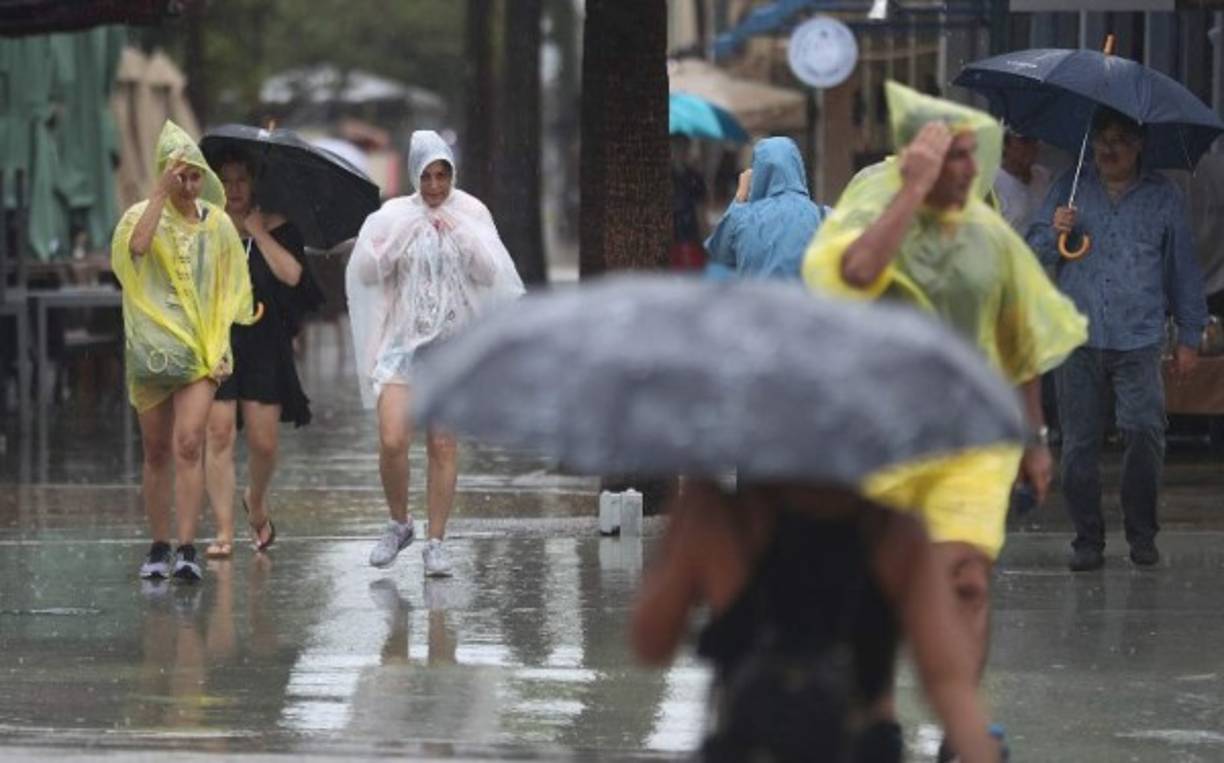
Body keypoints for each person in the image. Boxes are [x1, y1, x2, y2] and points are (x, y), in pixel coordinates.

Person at [804, 81, 1087, 760]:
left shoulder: (981, 212)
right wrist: (913, 191)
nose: (963, 167)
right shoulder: (872, 196)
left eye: (970, 152)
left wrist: (1034, 435)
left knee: (967, 577)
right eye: (948, 152)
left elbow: (1013, 320)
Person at [631, 480, 1002, 763]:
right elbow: (949, 684)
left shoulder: (716, 517)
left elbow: (651, 643)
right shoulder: (896, 532)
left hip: (748, 745)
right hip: (863, 744)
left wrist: (677, 542)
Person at [1026, 107, 1207, 572]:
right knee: (1080, 446)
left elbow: (1183, 270)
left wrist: (1190, 335)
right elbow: (1029, 251)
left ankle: (1141, 532)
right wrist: (1053, 232)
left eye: (1121, 139)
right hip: (1078, 335)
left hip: (1139, 336)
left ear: (1140, 144)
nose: (1109, 148)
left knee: (1145, 432)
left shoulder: (1163, 196)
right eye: (1102, 138)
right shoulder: (1070, 186)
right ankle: (1088, 538)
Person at [346, 130, 524, 576]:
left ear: (452, 174)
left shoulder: (471, 212)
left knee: (443, 443)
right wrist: (398, 240)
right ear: (414, 174)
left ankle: (437, 541)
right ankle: (398, 522)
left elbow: (491, 273)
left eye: (442, 176)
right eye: (426, 176)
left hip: (450, 346)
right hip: (401, 344)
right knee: (392, 439)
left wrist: (461, 237)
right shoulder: (394, 215)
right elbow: (367, 270)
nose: (434, 187)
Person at [111, 121, 256, 582]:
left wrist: (222, 345)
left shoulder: (216, 226)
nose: (188, 185)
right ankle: (158, 544)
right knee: (156, 451)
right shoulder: (140, 215)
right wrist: (158, 195)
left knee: (188, 444)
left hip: (200, 351)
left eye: (195, 176)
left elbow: (229, 288)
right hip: (153, 352)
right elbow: (135, 249)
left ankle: (188, 546)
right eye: (179, 175)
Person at [202, 148, 324, 558]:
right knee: (217, 434)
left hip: (265, 344)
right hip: (217, 342)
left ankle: (255, 500)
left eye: (241, 179)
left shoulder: (277, 226)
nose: (234, 188)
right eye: (226, 179)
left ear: (253, 183)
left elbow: (292, 276)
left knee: (264, 442)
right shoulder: (204, 228)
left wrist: (258, 233)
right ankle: (222, 531)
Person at [704, 137, 829, 280]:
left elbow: (718, 255)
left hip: (756, 301)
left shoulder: (740, 217)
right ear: (798, 168)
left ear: (758, 172)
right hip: (803, 301)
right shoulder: (822, 216)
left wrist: (739, 197)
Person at [669, 134, 708, 271]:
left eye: (682, 146)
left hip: (690, 237)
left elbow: (701, 212)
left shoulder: (694, 178)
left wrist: (705, 240)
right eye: (676, 146)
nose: (679, 150)